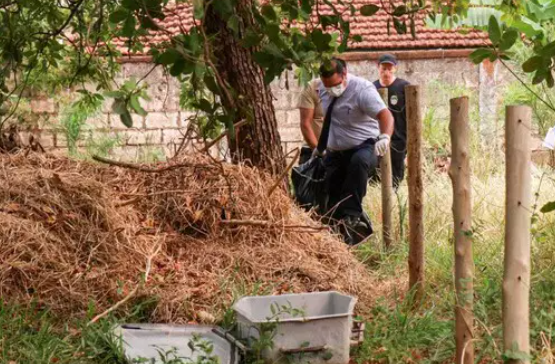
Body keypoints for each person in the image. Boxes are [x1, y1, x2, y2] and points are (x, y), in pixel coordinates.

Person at [317, 58, 394, 245]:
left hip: (364, 146)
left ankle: (353, 217)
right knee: (329, 195)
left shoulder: (362, 90)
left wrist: (385, 136)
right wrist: (319, 149)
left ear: (344, 75)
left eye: (334, 85)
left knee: (358, 163)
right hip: (336, 152)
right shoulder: (322, 89)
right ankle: (340, 235)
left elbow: (385, 115)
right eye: (327, 86)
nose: (331, 89)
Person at [297, 59, 346, 164]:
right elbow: (305, 123)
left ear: (344, 74)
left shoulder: (355, 89)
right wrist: (319, 151)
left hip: (343, 151)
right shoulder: (311, 89)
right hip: (313, 149)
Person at [372, 53, 410, 188]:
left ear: (395, 69)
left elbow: (411, 116)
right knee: (375, 176)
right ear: (378, 68)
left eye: (390, 69)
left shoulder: (404, 87)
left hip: (398, 139)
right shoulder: (372, 88)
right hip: (376, 139)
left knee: (396, 177)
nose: (386, 73)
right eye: (383, 69)